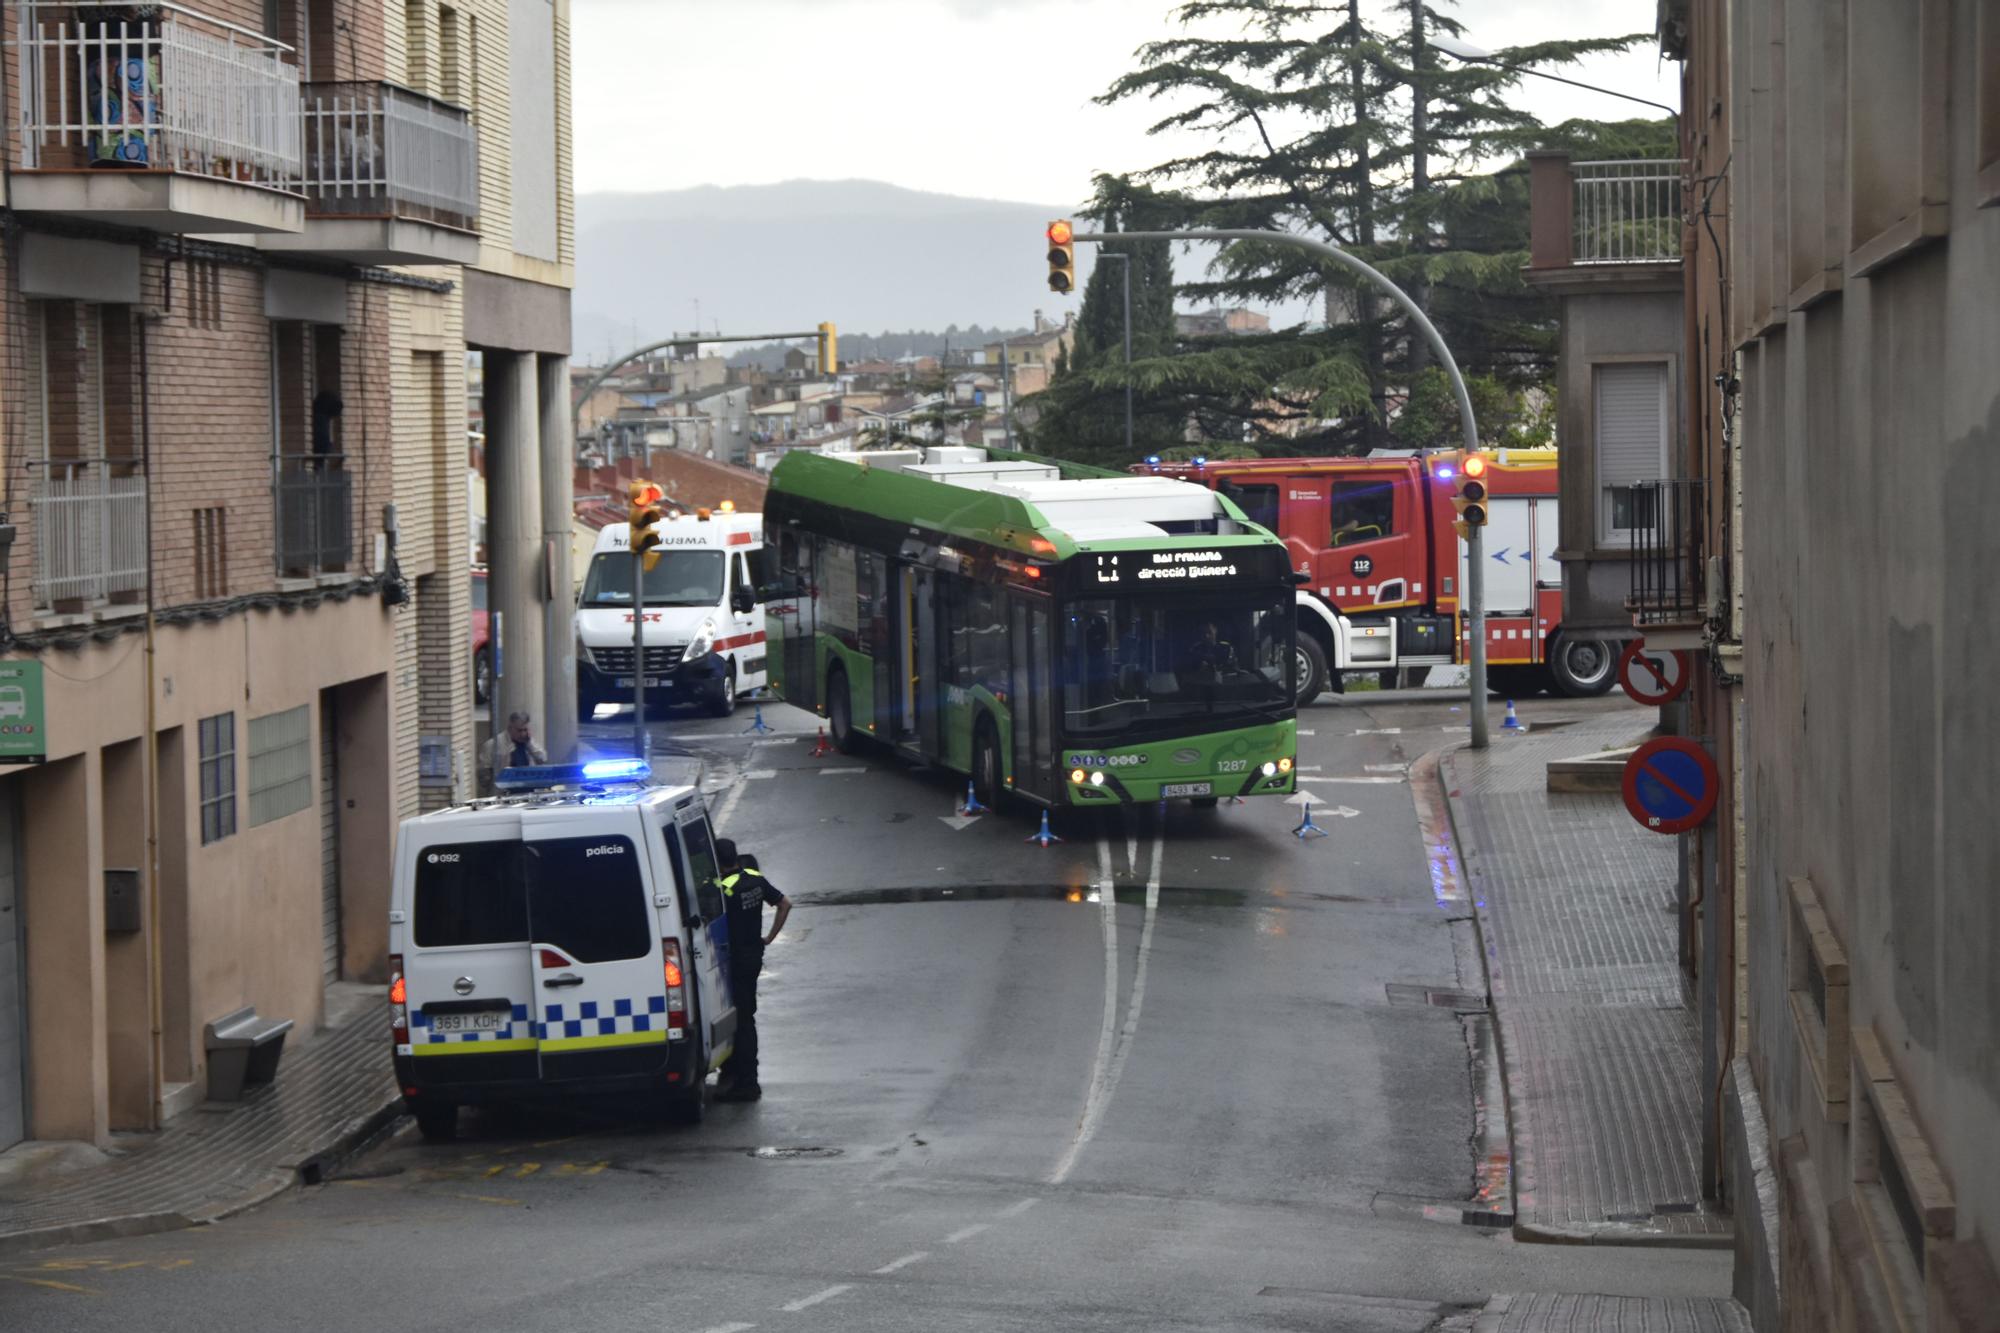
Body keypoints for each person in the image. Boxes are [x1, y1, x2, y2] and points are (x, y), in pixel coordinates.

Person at [713, 837, 790, 1103]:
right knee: (747, 1017)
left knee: (743, 1022)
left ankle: (747, 1083)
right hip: (754, 955)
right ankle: (739, 1074)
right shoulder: (755, 879)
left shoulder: (722, 889)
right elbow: (785, 904)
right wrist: (768, 937)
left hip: (734, 960)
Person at [480, 711, 547, 791]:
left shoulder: (528, 741)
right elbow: (484, 774)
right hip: (505, 792)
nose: (523, 734)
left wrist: (530, 745)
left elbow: (542, 759)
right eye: (519, 730)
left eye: (525, 730)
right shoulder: (493, 745)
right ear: (510, 728)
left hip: (528, 790)